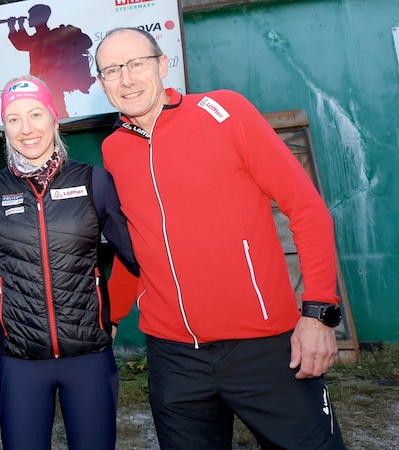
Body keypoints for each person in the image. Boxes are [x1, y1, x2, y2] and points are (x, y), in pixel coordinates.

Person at [94, 27, 347, 449]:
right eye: (112, 70)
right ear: (102, 83)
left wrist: (320, 313)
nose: (127, 79)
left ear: (161, 65)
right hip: (174, 358)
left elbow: (307, 209)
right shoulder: (114, 150)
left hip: (265, 347)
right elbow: (135, 245)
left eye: (136, 63)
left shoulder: (224, 111)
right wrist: (111, 317)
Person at [0, 76, 139, 450]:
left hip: (88, 354)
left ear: (54, 119)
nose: (26, 129)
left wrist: (113, 315)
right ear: (4, 129)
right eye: (13, 119)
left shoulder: (95, 181)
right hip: (20, 358)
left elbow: (139, 257)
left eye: (35, 114)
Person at [0, 4, 94, 119]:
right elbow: (22, 44)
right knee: (50, 112)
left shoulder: (49, 36)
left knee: (56, 111)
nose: (28, 19)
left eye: (31, 16)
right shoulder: (41, 37)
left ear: (39, 18)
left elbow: (22, 43)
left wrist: (15, 26)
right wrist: (16, 26)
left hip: (51, 81)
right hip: (43, 82)